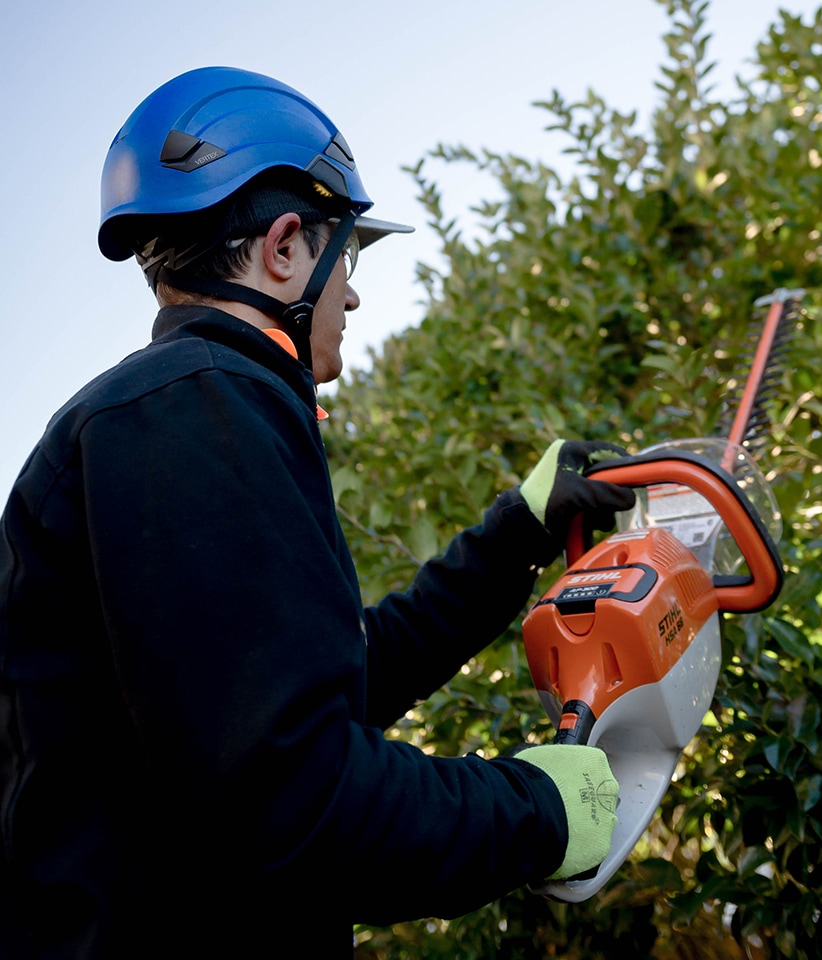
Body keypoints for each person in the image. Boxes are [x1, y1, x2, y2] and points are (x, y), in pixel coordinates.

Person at [0, 67, 637, 958]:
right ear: (287, 247)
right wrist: (535, 811)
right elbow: (292, 796)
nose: (355, 293)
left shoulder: (185, 411)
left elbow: (333, 687)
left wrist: (516, 533)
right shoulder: (192, 412)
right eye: (354, 254)